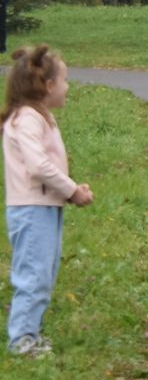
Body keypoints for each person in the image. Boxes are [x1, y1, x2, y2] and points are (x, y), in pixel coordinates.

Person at [3, 46, 93, 357]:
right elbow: (38, 166)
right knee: (33, 274)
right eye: (65, 80)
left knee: (44, 272)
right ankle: (21, 341)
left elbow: (45, 165)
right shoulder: (28, 118)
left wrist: (68, 188)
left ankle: (31, 333)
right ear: (49, 85)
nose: (68, 86)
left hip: (43, 206)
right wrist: (72, 191)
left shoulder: (39, 117)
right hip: (31, 210)